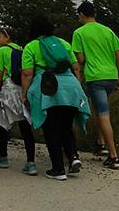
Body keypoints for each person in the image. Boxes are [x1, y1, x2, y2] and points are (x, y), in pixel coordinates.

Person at [21, 15, 90, 181]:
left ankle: (58, 169)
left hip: (49, 88)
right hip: (71, 88)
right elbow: (76, 67)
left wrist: (24, 94)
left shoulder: (31, 46)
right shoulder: (64, 43)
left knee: (51, 129)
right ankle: (73, 157)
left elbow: (27, 73)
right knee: (66, 126)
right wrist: (77, 87)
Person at [72, 1, 119, 169]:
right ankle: (100, 144)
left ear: (81, 14)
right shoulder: (108, 31)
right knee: (101, 110)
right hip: (111, 75)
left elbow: (80, 60)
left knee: (102, 114)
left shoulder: (79, 33)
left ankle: (113, 156)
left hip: (95, 77)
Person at [0, 27, 37, 175]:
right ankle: (31, 162)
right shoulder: (22, 50)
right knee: (25, 126)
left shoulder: (2, 51)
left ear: (7, 37)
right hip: (22, 88)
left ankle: (3, 157)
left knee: (2, 123)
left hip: (8, 89)